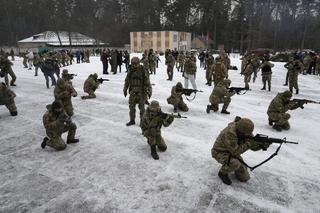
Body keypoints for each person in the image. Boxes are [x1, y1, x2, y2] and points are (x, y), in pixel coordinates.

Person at [211, 117, 270, 185]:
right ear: (241, 131)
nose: (249, 135)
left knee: (244, 177)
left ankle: (231, 167)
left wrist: (261, 146)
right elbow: (235, 152)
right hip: (219, 152)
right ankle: (222, 173)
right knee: (235, 163)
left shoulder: (245, 132)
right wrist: (249, 144)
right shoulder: (230, 133)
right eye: (247, 134)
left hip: (232, 152)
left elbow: (252, 147)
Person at [123, 57, 152, 126]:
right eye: (133, 64)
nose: (134, 66)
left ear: (139, 63)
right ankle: (132, 120)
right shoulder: (130, 70)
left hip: (141, 92)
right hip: (133, 91)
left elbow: (148, 82)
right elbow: (127, 81)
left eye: (136, 64)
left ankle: (143, 122)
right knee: (131, 107)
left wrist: (149, 91)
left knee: (142, 108)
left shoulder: (143, 70)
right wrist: (125, 89)